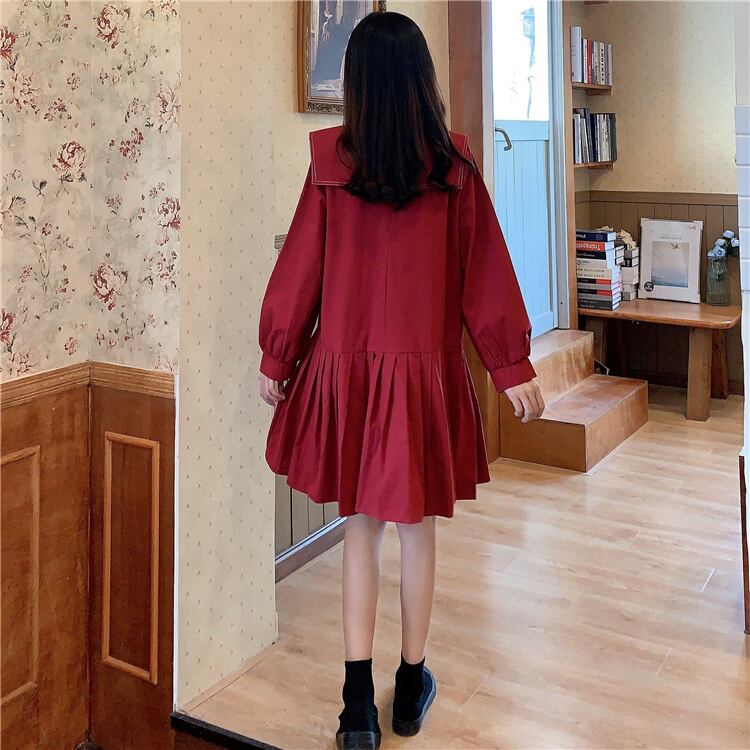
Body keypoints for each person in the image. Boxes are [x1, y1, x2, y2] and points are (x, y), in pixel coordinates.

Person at [258, 11, 544, 750]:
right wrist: (509, 364)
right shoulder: (453, 170)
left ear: (355, 84)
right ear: (422, 81)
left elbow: (300, 269)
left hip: (349, 375)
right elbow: (485, 273)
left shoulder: (330, 166)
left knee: (360, 528)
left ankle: (357, 704)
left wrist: (278, 357)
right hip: (421, 383)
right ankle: (411, 682)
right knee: (416, 532)